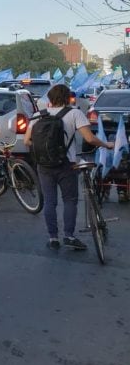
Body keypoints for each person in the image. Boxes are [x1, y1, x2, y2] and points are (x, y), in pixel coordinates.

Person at [25, 84, 114, 251]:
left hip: (44, 164)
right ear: (68, 98)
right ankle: (69, 236)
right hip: (67, 164)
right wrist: (106, 144)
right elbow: (89, 138)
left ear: (49, 99)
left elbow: (27, 141)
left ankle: (52, 238)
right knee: (70, 200)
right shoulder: (75, 113)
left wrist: (45, 149)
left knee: (50, 201)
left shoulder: (38, 115)